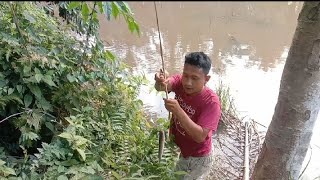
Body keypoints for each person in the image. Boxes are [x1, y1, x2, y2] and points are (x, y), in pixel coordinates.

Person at [154, 52, 221, 179]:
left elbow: (200, 136)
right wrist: (159, 80)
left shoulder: (211, 102)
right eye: (185, 75)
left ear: (206, 79)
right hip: (182, 150)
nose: (188, 83)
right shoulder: (180, 82)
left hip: (198, 158)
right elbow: (161, 87)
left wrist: (178, 111)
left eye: (195, 78)